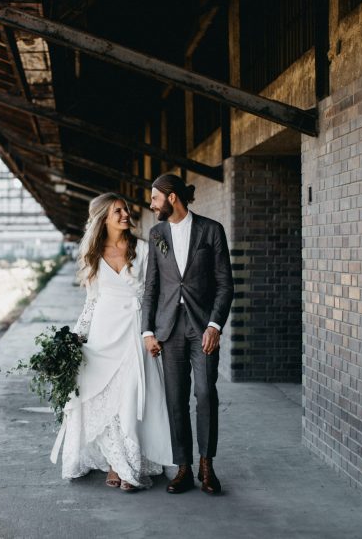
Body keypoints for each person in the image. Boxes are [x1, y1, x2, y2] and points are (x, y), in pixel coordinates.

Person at [51, 193, 173, 491]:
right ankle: (113, 463)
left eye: (126, 209)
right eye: (118, 211)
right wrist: (76, 337)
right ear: (103, 217)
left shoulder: (143, 249)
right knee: (102, 399)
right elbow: (92, 302)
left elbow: (156, 293)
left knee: (130, 396)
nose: (125, 215)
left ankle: (127, 465)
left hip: (135, 331)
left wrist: (154, 330)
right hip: (103, 335)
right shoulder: (92, 254)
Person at [141, 173, 234, 495]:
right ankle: (182, 466)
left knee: (206, 394)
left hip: (202, 327)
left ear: (171, 198)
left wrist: (214, 325)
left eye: (154, 199)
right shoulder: (156, 234)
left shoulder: (212, 230)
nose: (151, 205)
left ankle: (206, 465)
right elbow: (152, 285)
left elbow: (225, 284)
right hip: (169, 329)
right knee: (175, 398)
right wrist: (148, 330)